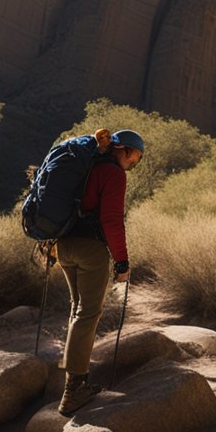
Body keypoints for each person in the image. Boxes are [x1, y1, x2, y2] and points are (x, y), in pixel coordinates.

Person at [57, 128, 145, 415]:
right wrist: (121, 262)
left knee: (77, 309)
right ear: (125, 150)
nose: (134, 164)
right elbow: (111, 221)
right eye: (136, 158)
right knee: (88, 313)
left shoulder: (86, 164)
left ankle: (71, 378)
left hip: (65, 244)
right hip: (90, 249)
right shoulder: (113, 174)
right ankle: (74, 391)